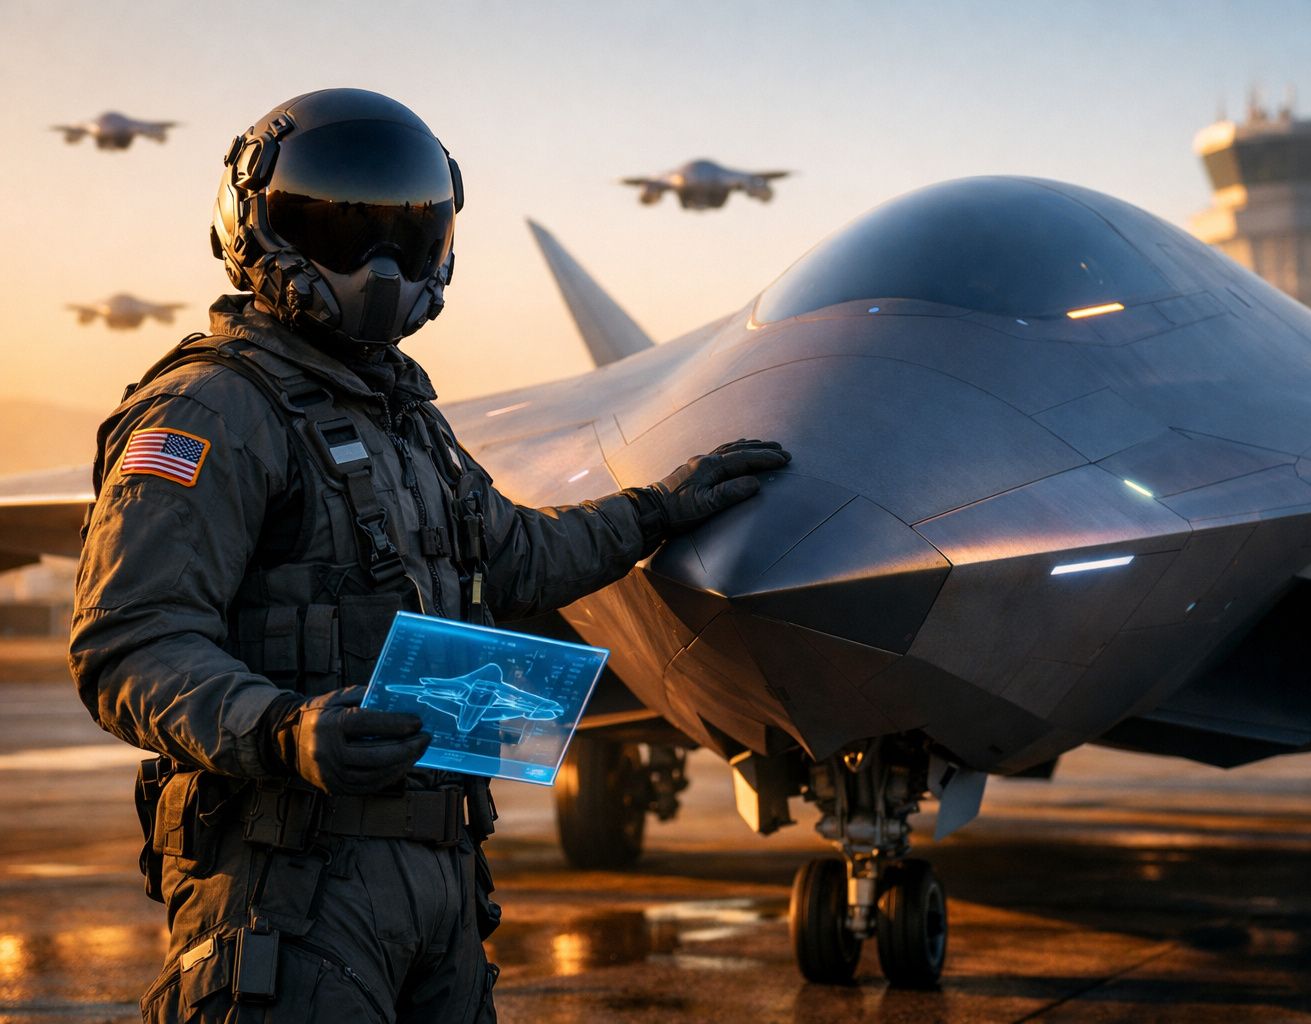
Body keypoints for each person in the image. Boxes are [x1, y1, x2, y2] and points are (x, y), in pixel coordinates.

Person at [68, 87, 789, 1023]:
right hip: (290, 886)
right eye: (342, 228)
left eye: (406, 236)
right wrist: (285, 730)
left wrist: (658, 509)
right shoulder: (213, 412)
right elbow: (128, 642)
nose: (380, 265)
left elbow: (521, 556)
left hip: (441, 883)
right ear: (255, 231)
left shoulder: (412, 426)